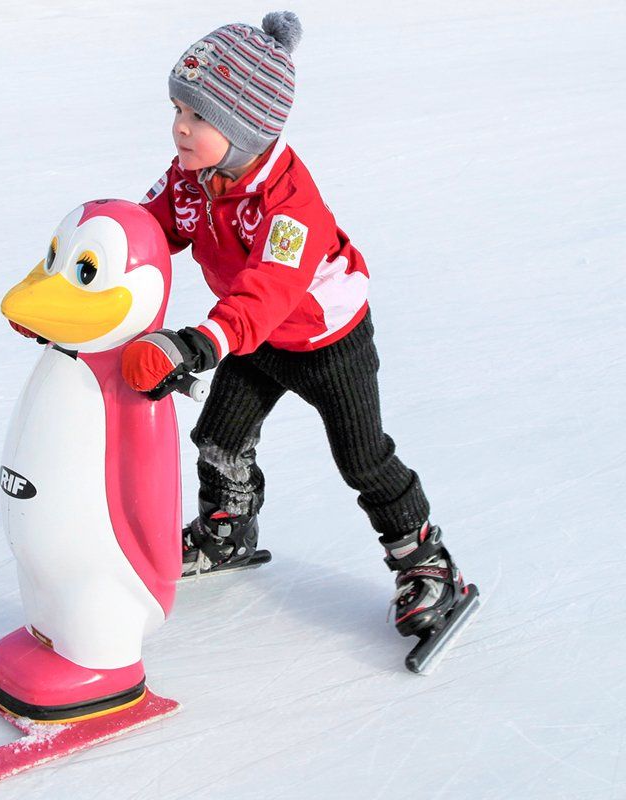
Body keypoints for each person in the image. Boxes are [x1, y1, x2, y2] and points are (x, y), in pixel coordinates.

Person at [115, 12, 472, 642]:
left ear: (246, 127)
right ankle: (228, 528)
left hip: (326, 341)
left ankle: (427, 564)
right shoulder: (192, 177)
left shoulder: (289, 207)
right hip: (254, 337)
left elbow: (268, 292)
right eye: (177, 108)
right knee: (219, 436)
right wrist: (100, 262)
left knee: (363, 459)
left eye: (198, 118)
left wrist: (199, 342)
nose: (179, 128)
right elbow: (154, 226)